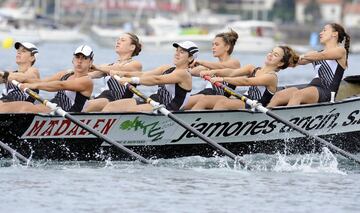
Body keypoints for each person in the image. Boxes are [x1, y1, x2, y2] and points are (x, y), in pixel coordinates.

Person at [102, 41, 199, 112]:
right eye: (177, 50)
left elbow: (156, 79)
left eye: (182, 52)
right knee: (112, 106)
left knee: (128, 110)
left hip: (167, 108)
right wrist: (123, 73)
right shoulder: (167, 68)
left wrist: (131, 80)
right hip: (154, 101)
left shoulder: (184, 74)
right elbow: (144, 74)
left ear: (190, 58)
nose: (177, 54)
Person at [191, 46, 299, 110]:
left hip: (256, 105)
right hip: (244, 100)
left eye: (275, 55)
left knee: (222, 103)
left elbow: (246, 81)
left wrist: (222, 79)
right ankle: (190, 127)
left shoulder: (271, 77)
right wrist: (212, 72)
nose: (270, 55)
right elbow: (232, 72)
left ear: (280, 63)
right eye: (271, 52)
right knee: (205, 100)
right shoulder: (252, 68)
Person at [268, 23, 350, 107]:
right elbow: (296, 62)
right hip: (312, 89)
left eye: (324, 30)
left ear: (334, 34)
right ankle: (264, 118)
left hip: (326, 92)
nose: (320, 33)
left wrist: (303, 56)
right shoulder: (316, 53)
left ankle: (290, 116)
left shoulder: (340, 51)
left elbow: (322, 56)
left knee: (298, 95)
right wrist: (279, 62)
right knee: (279, 96)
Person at [0, 45, 94, 113]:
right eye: (77, 57)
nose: (80, 61)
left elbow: (60, 85)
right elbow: (41, 82)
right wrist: (22, 80)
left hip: (68, 112)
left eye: (84, 58)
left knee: (25, 107)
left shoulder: (87, 81)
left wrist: (32, 85)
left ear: (90, 62)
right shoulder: (65, 74)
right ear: (73, 59)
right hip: (53, 105)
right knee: (24, 106)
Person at [85, 33, 142, 112]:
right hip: (104, 97)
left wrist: (97, 67)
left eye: (123, 40)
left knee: (87, 105)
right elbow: (88, 75)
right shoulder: (108, 66)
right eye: (118, 40)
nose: (118, 42)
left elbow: (120, 68)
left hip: (118, 101)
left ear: (132, 47)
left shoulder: (136, 64)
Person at [184, 29, 240, 110]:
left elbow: (221, 66)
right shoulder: (211, 67)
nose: (213, 47)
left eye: (216, 45)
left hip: (216, 98)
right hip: (206, 94)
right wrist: (186, 66)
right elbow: (192, 71)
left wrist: (201, 62)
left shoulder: (234, 63)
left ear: (227, 47)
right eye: (212, 44)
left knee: (185, 102)